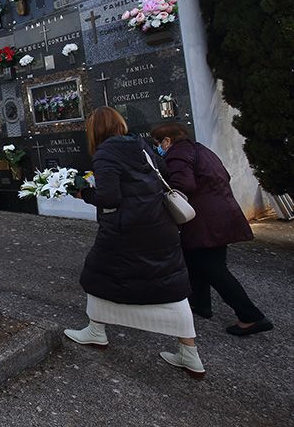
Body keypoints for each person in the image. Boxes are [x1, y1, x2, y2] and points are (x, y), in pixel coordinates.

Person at [64, 107, 205, 378]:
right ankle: (190, 353)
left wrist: (84, 193)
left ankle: (96, 331)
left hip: (125, 231)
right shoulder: (141, 145)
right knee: (171, 285)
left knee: (97, 275)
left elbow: (110, 198)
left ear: (95, 130)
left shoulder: (105, 153)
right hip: (159, 226)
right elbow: (161, 175)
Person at [151, 123, 273, 336]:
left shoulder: (177, 154)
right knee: (196, 262)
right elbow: (225, 176)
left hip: (203, 221)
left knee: (214, 270)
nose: (159, 148)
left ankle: (251, 316)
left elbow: (182, 185)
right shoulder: (202, 150)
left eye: (158, 143)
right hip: (221, 215)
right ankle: (201, 305)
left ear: (167, 141)